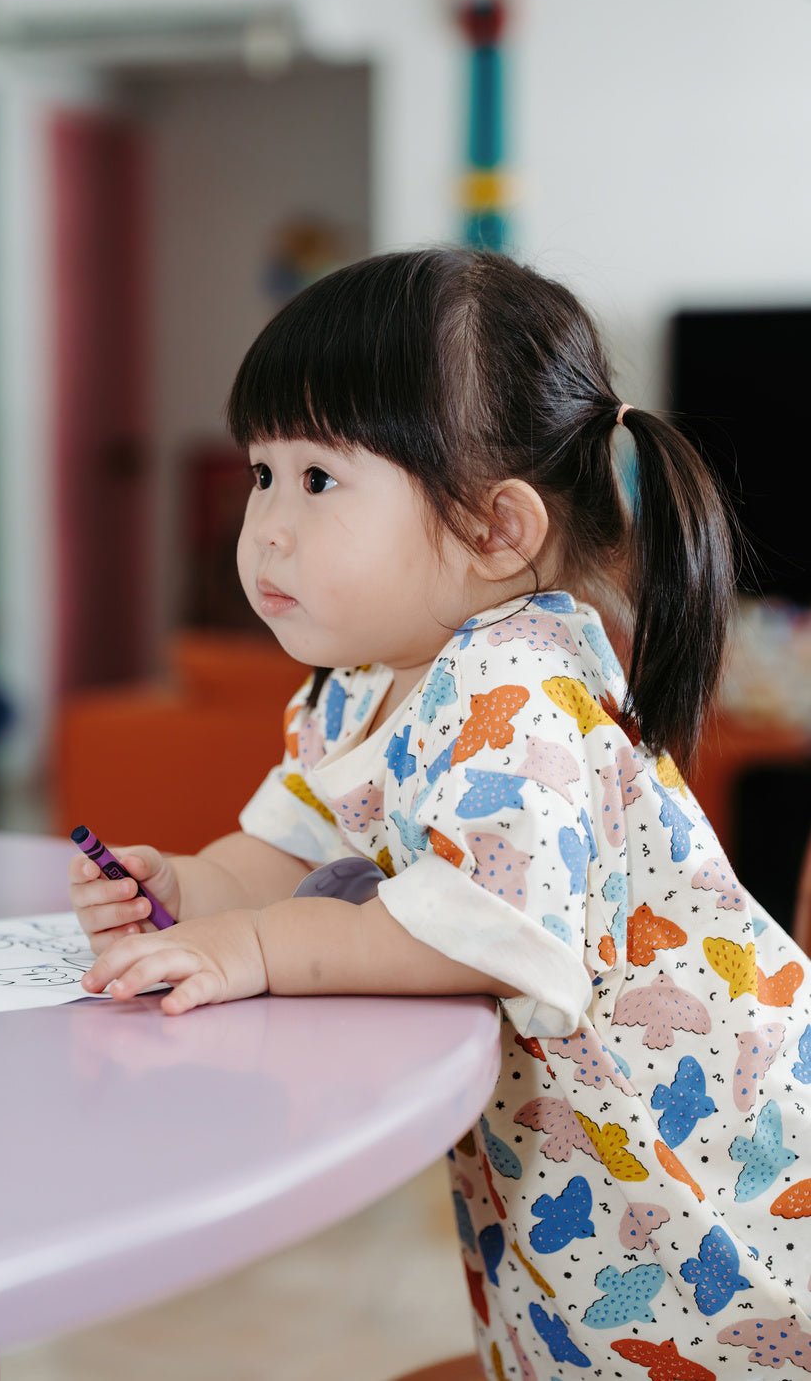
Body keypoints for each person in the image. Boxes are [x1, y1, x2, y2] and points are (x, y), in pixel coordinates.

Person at [70, 248, 811, 1378]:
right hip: (575, 1194)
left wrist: (260, 947)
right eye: (260, 474)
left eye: (318, 480)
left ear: (493, 530)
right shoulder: (365, 683)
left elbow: (486, 922)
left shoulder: (515, 694)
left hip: (708, 1207)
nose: (264, 525)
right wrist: (189, 887)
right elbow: (281, 848)